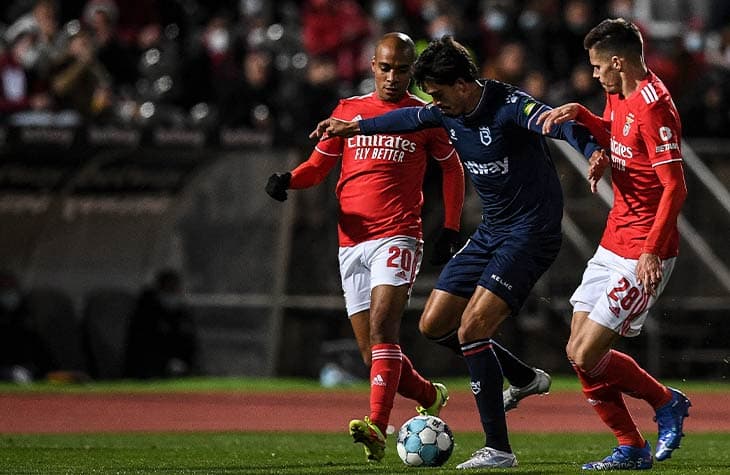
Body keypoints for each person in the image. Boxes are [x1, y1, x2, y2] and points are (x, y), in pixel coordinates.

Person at [311, 35, 606, 469]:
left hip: (530, 234)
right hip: (492, 232)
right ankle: (523, 378)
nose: (435, 101)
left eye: (440, 93)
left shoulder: (509, 106)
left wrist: (593, 149)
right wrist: (352, 127)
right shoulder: (445, 110)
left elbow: (558, 123)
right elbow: (408, 118)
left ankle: (498, 449)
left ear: (465, 84)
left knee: (471, 331)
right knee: (434, 324)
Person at [266, 33, 463, 463]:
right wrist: (288, 179)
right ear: (372, 65)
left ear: (415, 72)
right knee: (369, 352)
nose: (394, 77)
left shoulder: (425, 116)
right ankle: (430, 394)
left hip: (398, 233)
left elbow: (453, 170)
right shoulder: (348, 111)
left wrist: (450, 226)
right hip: (351, 241)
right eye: (386, 67)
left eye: (403, 69)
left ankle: (376, 425)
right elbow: (318, 167)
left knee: (382, 332)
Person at [537, 18, 691, 470]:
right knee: (576, 353)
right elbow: (620, 136)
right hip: (613, 240)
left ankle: (666, 402)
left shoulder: (656, 106)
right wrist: (586, 123)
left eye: (599, 67)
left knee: (587, 353)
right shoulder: (617, 93)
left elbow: (675, 187)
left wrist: (651, 250)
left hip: (645, 249)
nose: (595, 75)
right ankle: (631, 446)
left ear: (619, 63)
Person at [124, 269, 198, 379]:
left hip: (181, 370)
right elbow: (141, 347)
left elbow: (191, 343)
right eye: (169, 288)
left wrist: (186, 364)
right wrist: (165, 364)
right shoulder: (145, 313)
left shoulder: (182, 314)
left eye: (175, 288)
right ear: (160, 288)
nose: (173, 293)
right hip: (148, 372)